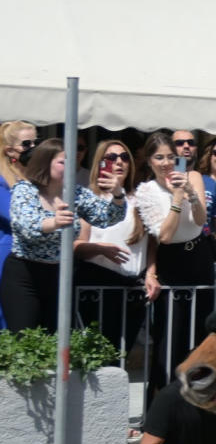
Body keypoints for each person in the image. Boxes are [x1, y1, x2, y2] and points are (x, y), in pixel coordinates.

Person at [1, 138, 126, 332]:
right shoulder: (25, 190)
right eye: (62, 161)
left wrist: (117, 194)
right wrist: (54, 222)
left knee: (56, 341)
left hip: (59, 274)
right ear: (45, 163)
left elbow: (107, 217)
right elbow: (26, 226)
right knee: (25, 340)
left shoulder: (75, 193)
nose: (70, 165)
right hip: (25, 274)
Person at [134, 132, 216, 392]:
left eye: (171, 156)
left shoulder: (191, 178)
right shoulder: (146, 191)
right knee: (170, 338)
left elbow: (202, 220)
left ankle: (196, 399)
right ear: (149, 161)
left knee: (199, 334)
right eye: (159, 157)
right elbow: (165, 236)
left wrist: (190, 193)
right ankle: (161, 403)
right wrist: (177, 199)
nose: (167, 163)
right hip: (172, 261)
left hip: (200, 258)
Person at [74, 140, 159, 354]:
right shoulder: (89, 198)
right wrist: (100, 248)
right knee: (97, 356)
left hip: (133, 289)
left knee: (122, 354)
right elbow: (76, 246)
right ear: (100, 163)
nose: (119, 162)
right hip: (97, 286)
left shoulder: (139, 200)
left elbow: (150, 244)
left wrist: (151, 274)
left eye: (124, 157)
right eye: (111, 157)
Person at [0, 119, 37, 329]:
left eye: (35, 143)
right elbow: (15, 215)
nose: (33, 149)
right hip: (6, 254)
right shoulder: (1, 179)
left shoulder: (32, 177)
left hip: (30, 255)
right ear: (9, 151)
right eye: (26, 144)